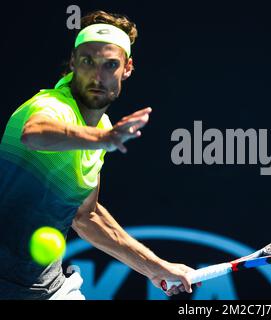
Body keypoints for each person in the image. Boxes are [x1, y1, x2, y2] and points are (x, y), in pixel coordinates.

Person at [0, 10, 198, 299]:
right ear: (72, 62)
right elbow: (34, 133)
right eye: (88, 62)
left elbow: (86, 216)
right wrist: (105, 139)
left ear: (127, 68)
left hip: (47, 287)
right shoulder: (50, 105)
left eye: (110, 65)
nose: (97, 75)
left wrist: (156, 268)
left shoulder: (101, 127)